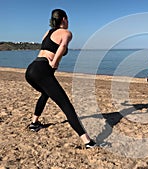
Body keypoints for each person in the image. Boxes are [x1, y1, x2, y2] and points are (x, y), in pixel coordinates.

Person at [25, 9, 96, 149]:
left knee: (45, 93)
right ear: (64, 19)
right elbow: (62, 47)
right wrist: (54, 63)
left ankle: (34, 123)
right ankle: (88, 142)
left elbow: (45, 47)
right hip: (43, 70)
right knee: (66, 106)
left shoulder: (48, 32)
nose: (69, 22)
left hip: (31, 70)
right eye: (68, 19)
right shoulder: (67, 33)